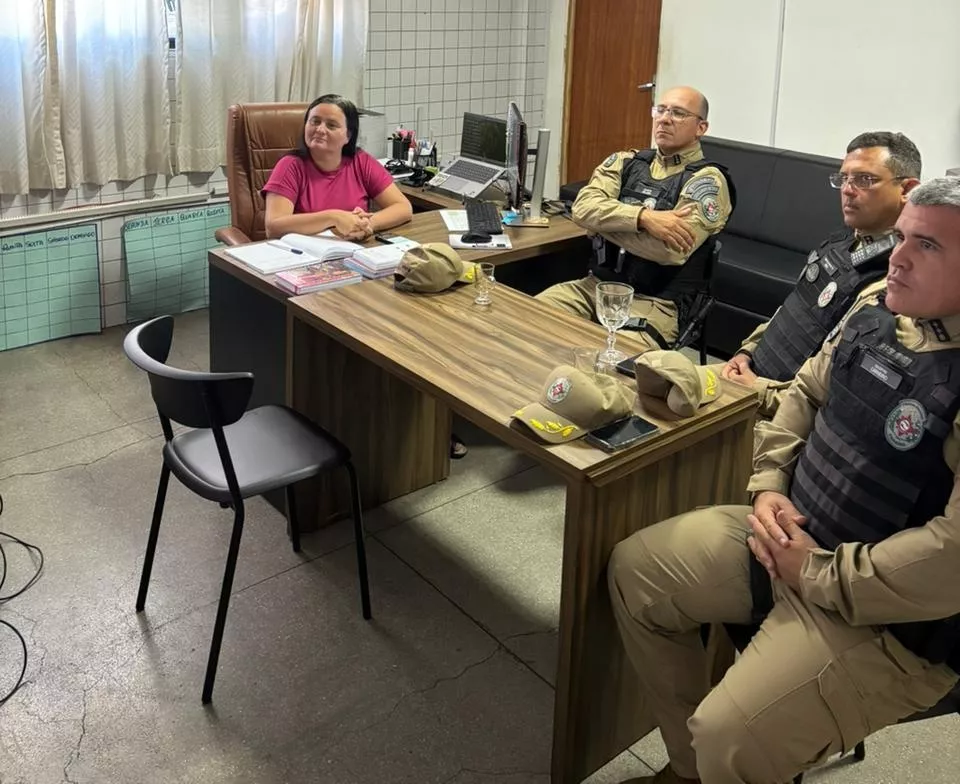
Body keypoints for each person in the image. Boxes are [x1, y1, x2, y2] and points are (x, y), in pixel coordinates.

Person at [606, 177, 960, 784]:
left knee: (729, 735)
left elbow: (952, 558)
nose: (897, 258)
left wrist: (815, 572)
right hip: (790, 537)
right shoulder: (878, 306)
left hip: (887, 618)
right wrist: (769, 484)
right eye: (901, 237)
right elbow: (806, 392)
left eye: (926, 246)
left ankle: (722, 763)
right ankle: (692, 774)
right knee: (637, 572)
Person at [721, 132, 921, 416]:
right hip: (750, 375)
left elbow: (840, 393)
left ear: (907, 189)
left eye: (865, 179)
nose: (848, 190)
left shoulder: (897, 282)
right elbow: (791, 312)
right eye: (844, 178)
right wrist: (747, 352)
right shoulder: (841, 242)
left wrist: (758, 391)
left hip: (777, 411)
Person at [537, 86, 734, 351]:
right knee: (524, 319)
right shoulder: (625, 162)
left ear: (701, 128)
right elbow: (582, 209)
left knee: (612, 359)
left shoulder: (707, 181)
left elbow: (668, 250)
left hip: (653, 304)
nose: (664, 119)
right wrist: (643, 218)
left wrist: (601, 226)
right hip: (594, 288)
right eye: (660, 110)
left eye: (678, 113)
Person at [263, 94, 413, 241]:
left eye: (331, 125)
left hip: (353, 248)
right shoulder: (290, 166)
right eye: (315, 122)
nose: (320, 129)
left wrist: (364, 224)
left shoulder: (360, 161)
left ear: (348, 136)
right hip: (303, 251)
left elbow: (403, 207)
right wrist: (333, 217)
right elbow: (274, 227)